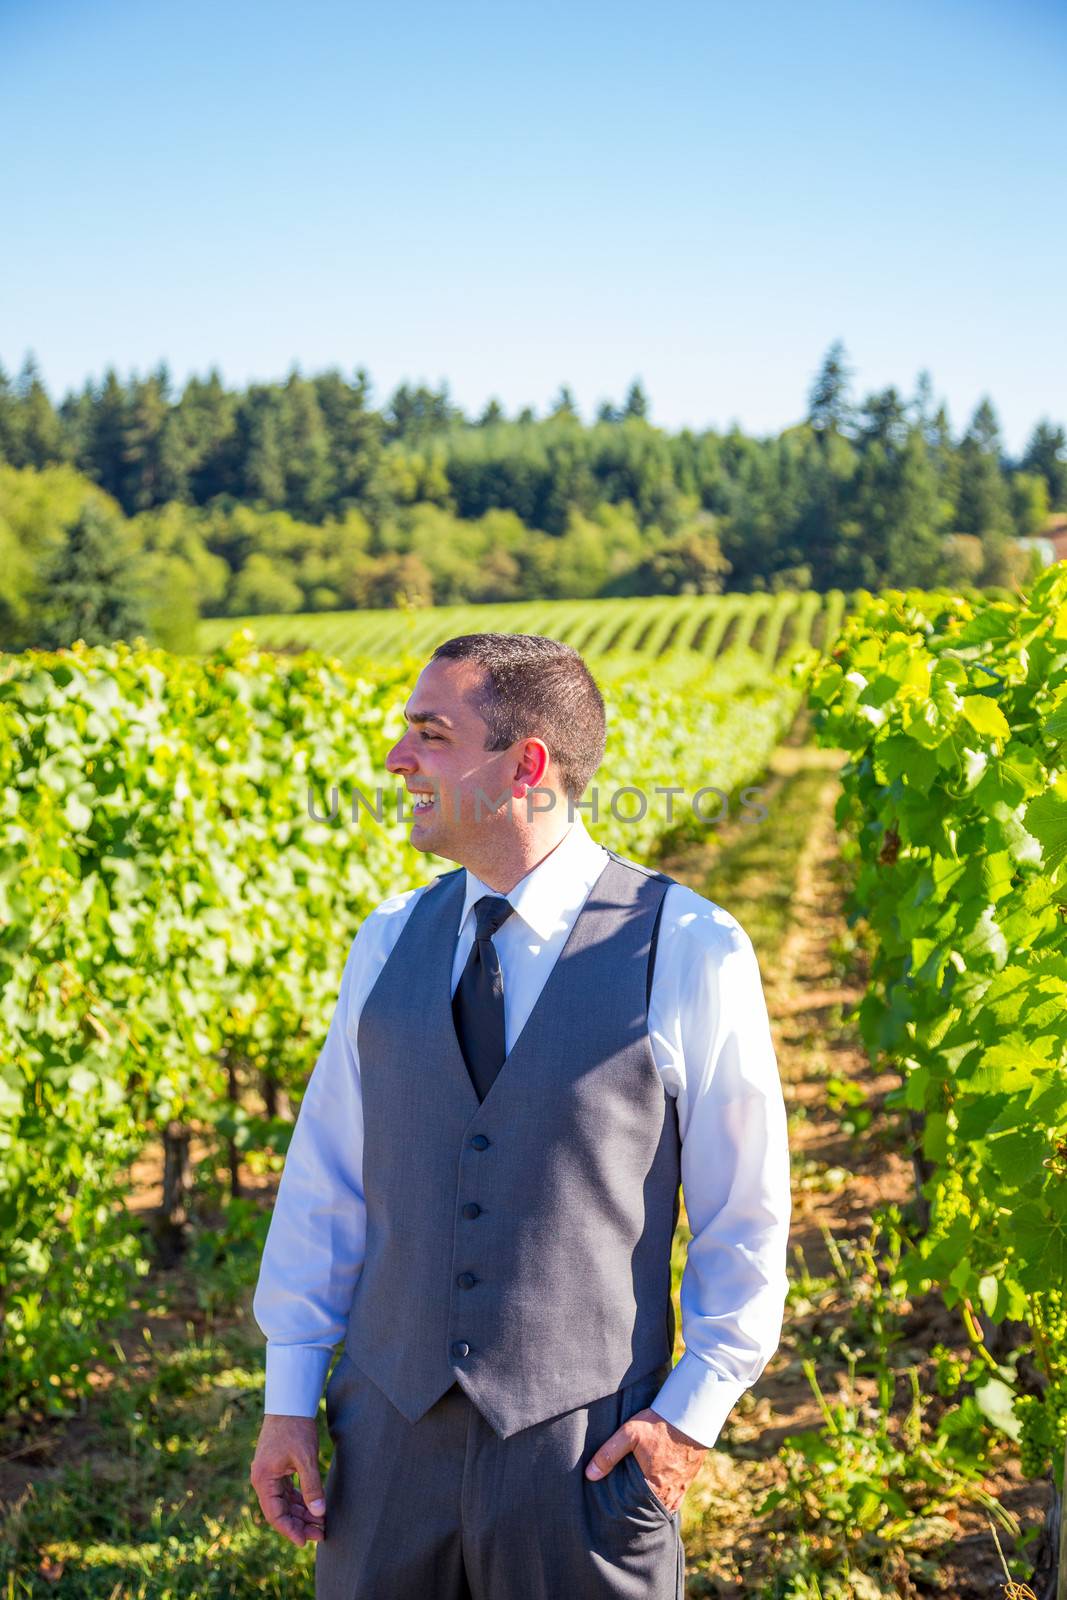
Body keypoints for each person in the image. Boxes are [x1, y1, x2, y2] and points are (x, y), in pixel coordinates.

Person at [249, 632, 792, 1600]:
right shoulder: (386, 941)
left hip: (579, 1448)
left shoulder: (689, 945)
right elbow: (325, 1179)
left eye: (431, 733)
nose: (396, 758)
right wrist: (289, 1397)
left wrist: (690, 1412)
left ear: (526, 764)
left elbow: (742, 1208)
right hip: (384, 1440)